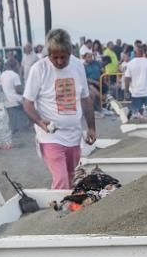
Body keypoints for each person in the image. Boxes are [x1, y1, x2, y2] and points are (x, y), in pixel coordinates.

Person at [22, 29, 96, 189]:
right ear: (48, 54)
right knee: (61, 179)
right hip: (50, 136)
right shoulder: (39, 69)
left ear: (70, 53)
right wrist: (40, 122)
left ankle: (70, 210)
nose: (60, 61)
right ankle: (59, 214)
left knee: (71, 177)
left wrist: (91, 127)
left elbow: (85, 98)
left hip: (74, 134)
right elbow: (27, 103)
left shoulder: (77, 66)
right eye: (55, 57)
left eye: (64, 57)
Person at [124, 45, 147, 116]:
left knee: (136, 115)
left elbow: (127, 78)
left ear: (135, 53)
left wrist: (127, 90)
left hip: (136, 94)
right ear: (143, 52)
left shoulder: (130, 63)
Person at [0, 57, 27, 132]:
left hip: (7, 97)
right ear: (15, 66)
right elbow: (18, 91)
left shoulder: (2, 75)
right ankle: (29, 125)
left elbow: (1, 88)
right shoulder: (15, 75)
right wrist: (25, 91)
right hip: (15, 98)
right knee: (31, 103)